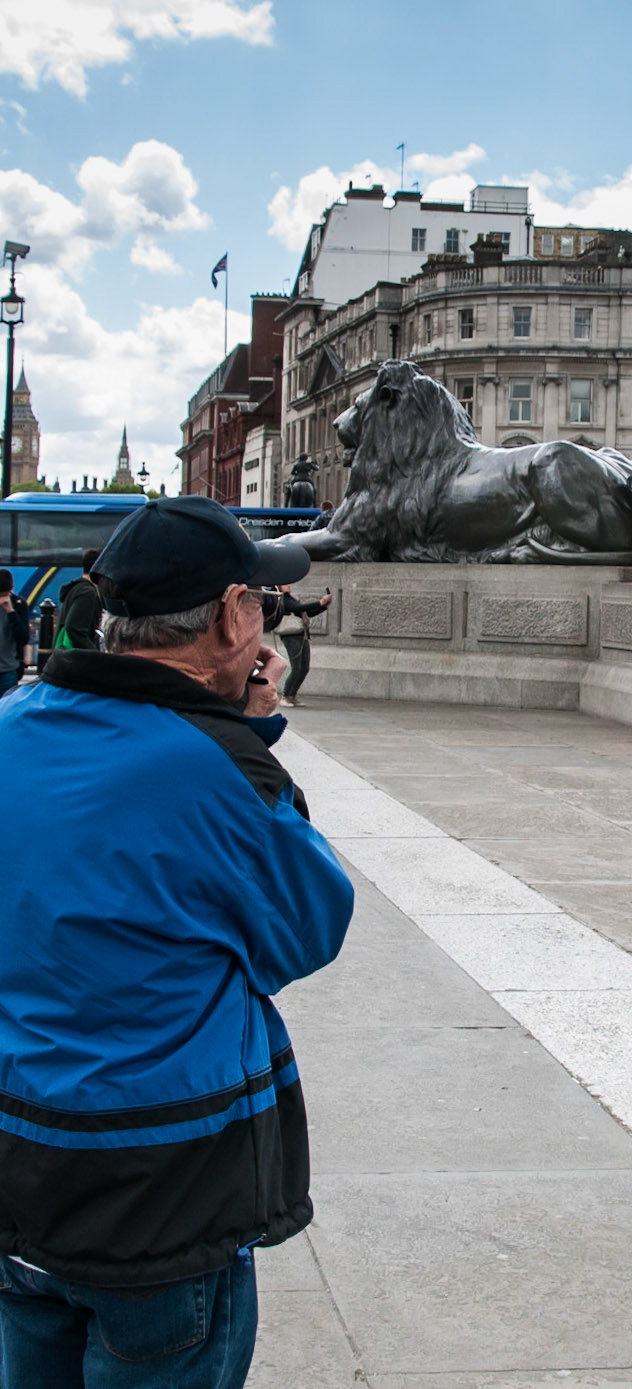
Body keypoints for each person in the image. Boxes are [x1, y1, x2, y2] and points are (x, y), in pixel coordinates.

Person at [0, 495, 354, 1385]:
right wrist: (251, 739)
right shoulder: (212, 765)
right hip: (158, 1186)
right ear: (233, 615)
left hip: (16, 1166)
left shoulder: (10, 724)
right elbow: (308, 927)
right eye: (261, 603)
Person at [273, 581, 334, 705]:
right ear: (279, 587)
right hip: (291, 636)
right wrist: (319, 602)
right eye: (285, 584)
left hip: (302, 634)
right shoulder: (283, 599)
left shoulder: (293, 598)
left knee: (304, 668)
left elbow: (307, 613)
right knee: (296, 668)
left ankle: (292, 696)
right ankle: (285, 696)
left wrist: (323, 606)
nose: (288, 585)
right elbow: (298, 608)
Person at [55, 547, 102, 651]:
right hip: (76, 660)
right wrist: (95, 653)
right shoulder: (88, 592)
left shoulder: (76, 588)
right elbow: (74, 629)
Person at [0, 570, 31, 695]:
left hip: (8, 670)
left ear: (11, 589)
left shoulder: (19, 604)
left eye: (4, 594)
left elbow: (23, 638)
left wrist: (11, 612)